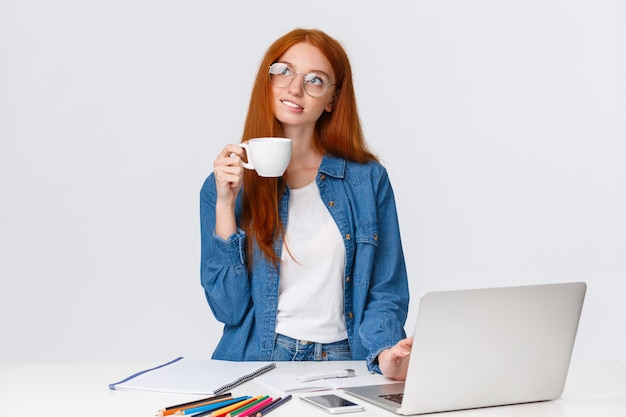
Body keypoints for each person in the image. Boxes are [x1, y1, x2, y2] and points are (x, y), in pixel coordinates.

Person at [200, 28, 412, 380]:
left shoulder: (367, 181)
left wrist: (387, 351)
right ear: (266, 81)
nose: (295, 88)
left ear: (331, 99)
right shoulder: (226, 184)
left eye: (315, 80)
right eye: (283, 72)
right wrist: (225, 204)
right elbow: (229, 309)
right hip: (262, 357)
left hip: (348, 359)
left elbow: (386, 290)